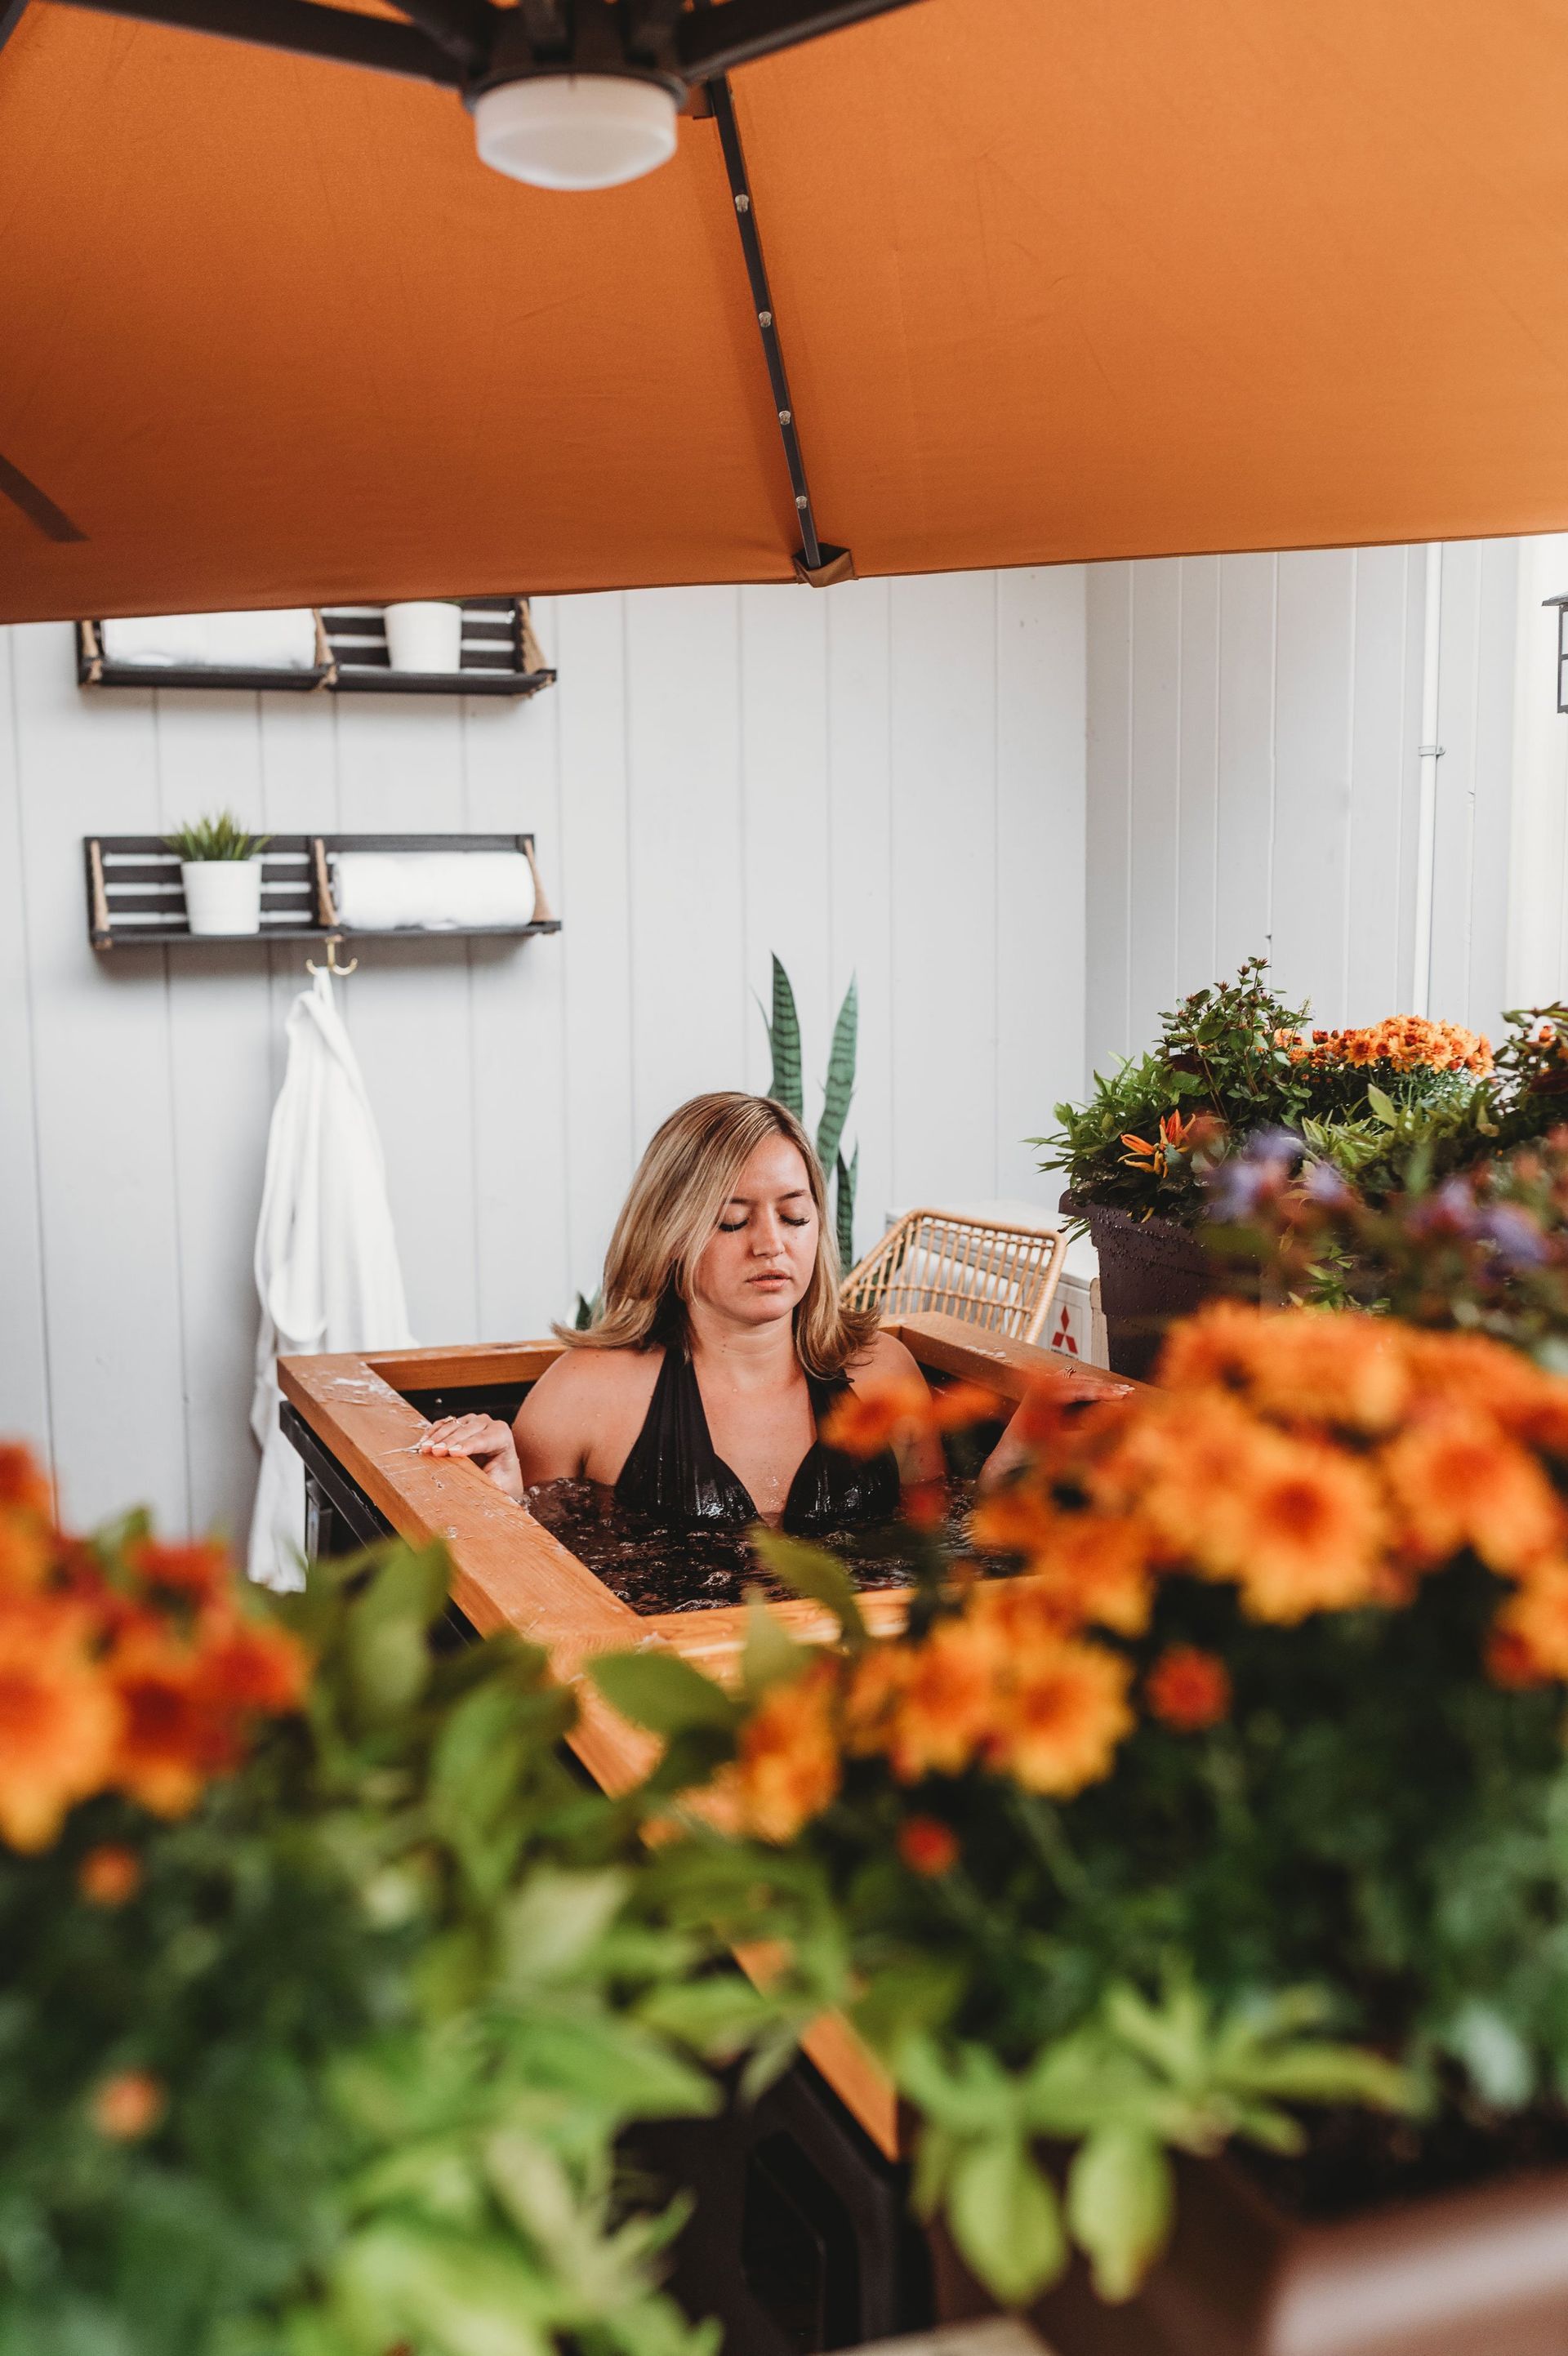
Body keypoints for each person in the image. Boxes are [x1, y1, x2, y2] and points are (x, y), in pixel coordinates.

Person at [417, 1091, 942, 1528]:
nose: (770, 1244)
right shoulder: (584, 1394)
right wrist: (503, 1505)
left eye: (794, 1216)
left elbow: (941, 1546)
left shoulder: (884, 1373)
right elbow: (531, 1589)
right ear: (668, 1235)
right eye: (732, 1221)